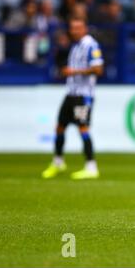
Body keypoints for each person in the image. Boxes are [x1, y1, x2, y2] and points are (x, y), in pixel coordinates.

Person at [42, 17, 104, 180]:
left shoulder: (90, 45)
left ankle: (91, 167)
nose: (74, 30)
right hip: (71, 93)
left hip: (83, 96)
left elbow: (98, 69)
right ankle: (58, 162)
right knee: (60, 127)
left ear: (85, 29)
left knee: (83, 128)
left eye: (78, 28)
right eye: (72, 28)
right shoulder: (75, 46)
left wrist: (74, 72)